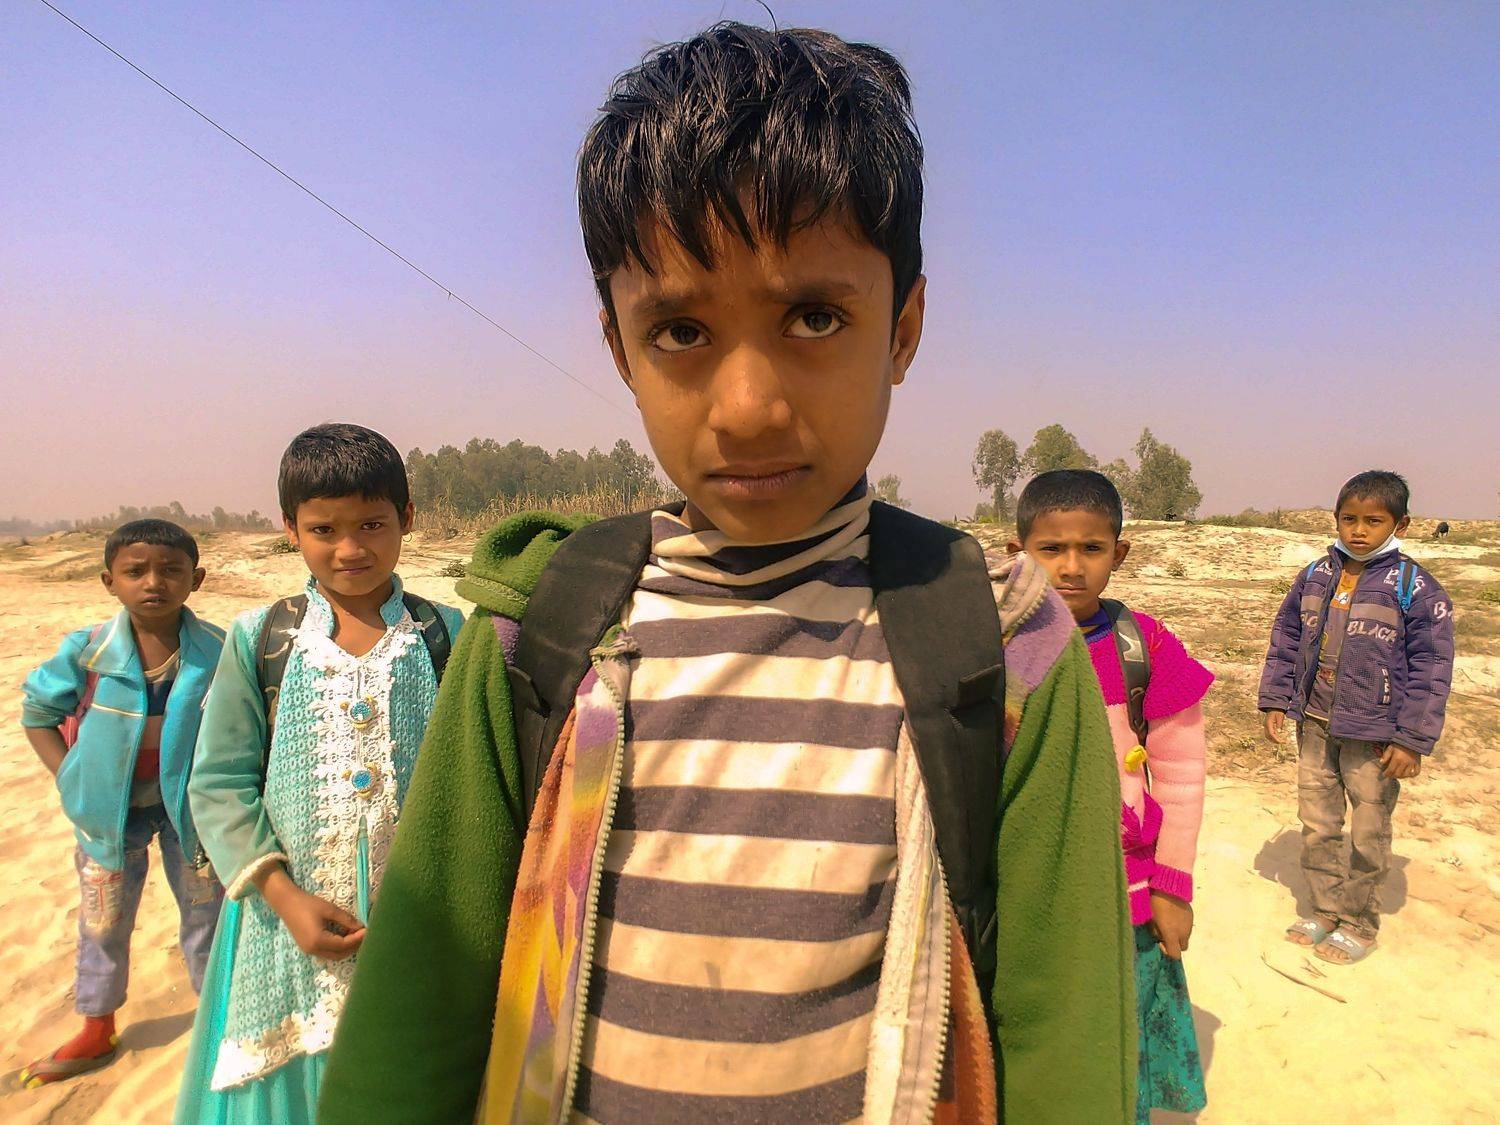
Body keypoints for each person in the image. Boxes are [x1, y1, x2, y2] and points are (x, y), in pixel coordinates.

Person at [320, 22, 1134, 1125]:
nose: (747, 407)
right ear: (618, 346)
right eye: (681, 331)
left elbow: (1066, 1039)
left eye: (815, 317)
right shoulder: (540, 631)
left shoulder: (1002, 642)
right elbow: (416, 1015)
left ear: (904, 328)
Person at [173, 424, 463, 1123]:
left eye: (372, 524)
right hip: (287, 927)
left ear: (407, 518)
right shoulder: (262, 638)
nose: (350, 548)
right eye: (324, 529)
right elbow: (219, 783)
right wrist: (283, 895)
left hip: (420, 923)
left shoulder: (447, 632)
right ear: (290, 530)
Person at [1010, 470, 1211, 1123]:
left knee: (1121, 1041)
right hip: (1029, 887)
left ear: (1118, 553)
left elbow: (1181, 775)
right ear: (1019, 551)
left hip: (1128, 890)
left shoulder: (1145, 646)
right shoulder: (995, 645)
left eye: (1091, 549)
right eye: (1051, 549)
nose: (1072, 567)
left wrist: (1172, 886)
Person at [19, 520, 225, 1086]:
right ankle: (97, 1027)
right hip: (108, 819)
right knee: (103, 921)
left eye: (171, 570)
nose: (153, 582)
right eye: (136, 571)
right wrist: (70, 779)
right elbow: (38, 714)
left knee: (206, 915)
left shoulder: (216, 650)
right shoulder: (87, 651)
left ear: (196, 579)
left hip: (190, 814)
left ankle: (217, 1021)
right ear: (109, 581)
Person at [1259, 470, 1453, 965]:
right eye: (1349, 519)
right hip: (1315, 723)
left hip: (1376, 735)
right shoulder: (1315, 575)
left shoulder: (1415, 588)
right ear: (1337, 519)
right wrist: (1276, 698)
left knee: (1368, 831)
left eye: (1373, 521)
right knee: (1318, 823)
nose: (1359, 531)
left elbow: (1432, 667)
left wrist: (1411, 739)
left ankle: (1359, 922)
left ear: (1400, 525)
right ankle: (1325, 909)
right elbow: (1286, 638)